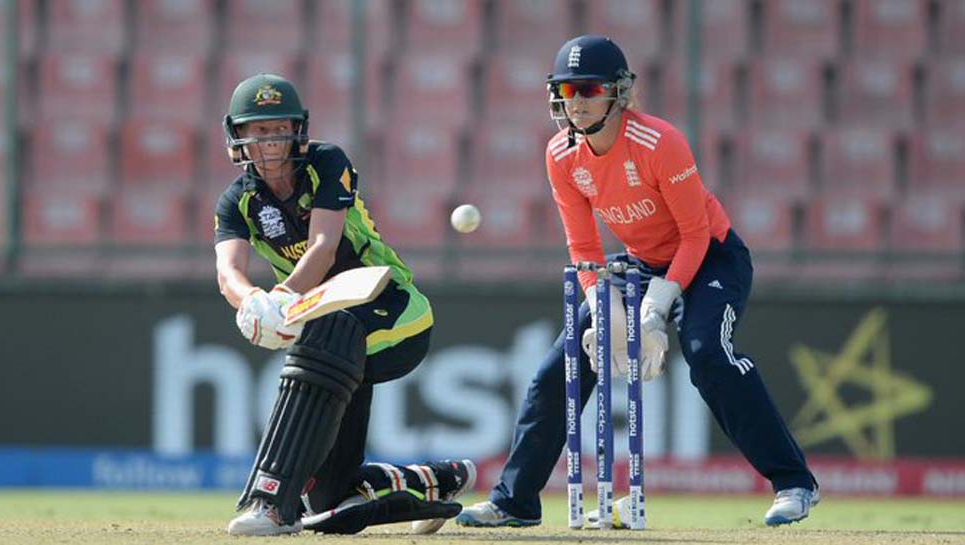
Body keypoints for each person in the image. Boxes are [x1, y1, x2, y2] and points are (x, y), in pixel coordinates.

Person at [457, 35, 819, 529]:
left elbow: (694, 234)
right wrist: (606, 307)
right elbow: (584, 250)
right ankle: (514, 501)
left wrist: (654, 308)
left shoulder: (659, 142)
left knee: (708, 353)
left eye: (588, 89)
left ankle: (794, 482)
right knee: (559, 367)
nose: (576, 103)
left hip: (711, 258)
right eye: (566, 91)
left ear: (619, 93)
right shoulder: (562, 155)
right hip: (638, 263)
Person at [214, 73, 475, 536]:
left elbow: (323, 248)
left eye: (280, 128)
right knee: (332, 496)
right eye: (259, 130)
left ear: (298, 129)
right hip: (333, 341)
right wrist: (250, 300)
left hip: (394, 311)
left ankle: (272, 502)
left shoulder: (326, 162)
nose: (272, 141)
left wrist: (280, 298)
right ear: (239, 137)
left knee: (322, 336)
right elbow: (227, 272)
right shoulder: (237, 201)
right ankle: (435, 482)